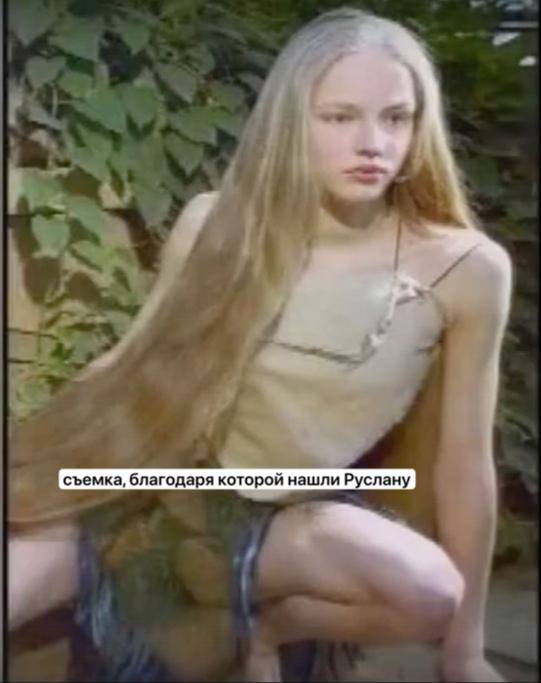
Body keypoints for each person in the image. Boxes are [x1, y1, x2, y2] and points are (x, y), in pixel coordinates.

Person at [8, 7, 512, 683]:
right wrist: (38, 461)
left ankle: (269, 631)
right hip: (158, 489)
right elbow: (126, 365)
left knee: (429, 592)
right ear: (290, 121)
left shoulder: (466, 268)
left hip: (289, 517)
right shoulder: (216, 222)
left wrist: (465, 653)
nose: (372, 143)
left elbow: (465, 465)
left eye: (396, 118)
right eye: (338, 117)